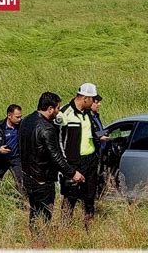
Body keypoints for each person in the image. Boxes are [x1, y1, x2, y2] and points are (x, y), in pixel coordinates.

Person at [19, 92, 85, 231]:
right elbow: (55, 157)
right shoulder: (47, 128)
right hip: (42, 178)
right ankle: (41, 242)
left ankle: (34, 237)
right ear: (50, 109)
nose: (59, 111)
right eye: (57, 108)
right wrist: (73, 173)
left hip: (27, 175)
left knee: (33, 212)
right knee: (44, 214)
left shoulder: (26, 120)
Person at [55, 82, 101, 230]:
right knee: (70, 197)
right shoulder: (64, 113)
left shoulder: (87, 113)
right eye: (93, 99)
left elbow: (88, 133)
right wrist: (66, 166)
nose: (94, 102)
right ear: (85, 98)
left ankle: (89, 227)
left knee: (90, 196)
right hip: (73, 163)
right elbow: (58, 141)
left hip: (90, 160)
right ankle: (65, 228)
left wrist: (98, 138)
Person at [90, 95, 111, 199]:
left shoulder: (96, 116)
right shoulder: (88, 118)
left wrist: (106, 133)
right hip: (94, 152)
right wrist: (99, 138)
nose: (99, 104)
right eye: (97, 102)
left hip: (101, 152)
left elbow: (97, 132)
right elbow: (90, 135)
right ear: (91, 102)